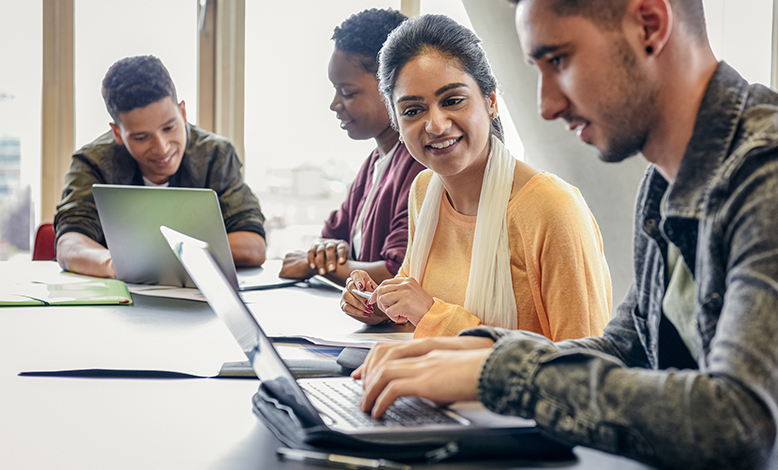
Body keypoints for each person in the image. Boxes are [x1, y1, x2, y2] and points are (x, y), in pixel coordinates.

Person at [354, 1, 778, 469]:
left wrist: (502, 373)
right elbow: (627, 349)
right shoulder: (665, 180)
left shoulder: (777, 172)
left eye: (560, 60)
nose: (547, 105)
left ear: (650, 25)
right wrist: (466, 352)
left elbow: (745, 427)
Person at [340, 14, 612, 341]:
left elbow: (584, 368)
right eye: (413, 110)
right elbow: (417, 317)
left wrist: (432, 313)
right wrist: (377, 305)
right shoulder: (424, 192)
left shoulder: (552, 209)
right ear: (397, 122)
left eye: (452, 100)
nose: (436, 125)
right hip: (431, 386)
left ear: (491, 101)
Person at [54, 56, 266, 278]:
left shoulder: (216, 155)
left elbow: (253, 245)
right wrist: (115, 265)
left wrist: (156, 258)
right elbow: (70, 243)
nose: (162, 148)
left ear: (182, 113)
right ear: (118, 134)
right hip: (122, 302)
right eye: (141, 137)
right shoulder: (92, 162)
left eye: (169, 127)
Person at [279, 9, 425, 286]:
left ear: (392, 85)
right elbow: (331, 237)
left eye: (347, 92)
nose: (335, 104)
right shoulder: (373, 163)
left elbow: (397, 272)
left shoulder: (420, 166)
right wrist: (325, 255)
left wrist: (314, 264)